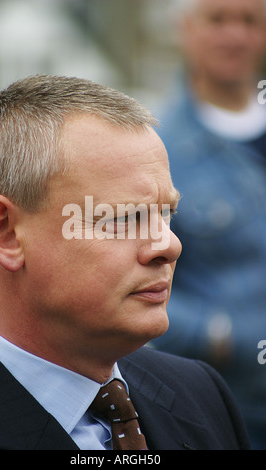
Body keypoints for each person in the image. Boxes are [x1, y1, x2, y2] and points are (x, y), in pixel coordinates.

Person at [0, 74, 250, 450]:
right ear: (5, 233)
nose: (169, 245)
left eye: (166, 214)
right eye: (124, 218)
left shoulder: (201, 395)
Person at [151, 0, 266, 449]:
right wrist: (220, 335)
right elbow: (124, 276)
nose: (234, 35)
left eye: (249, 20)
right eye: (217, 19)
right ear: (186, 27)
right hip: (229, 412)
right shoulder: (158, 148)